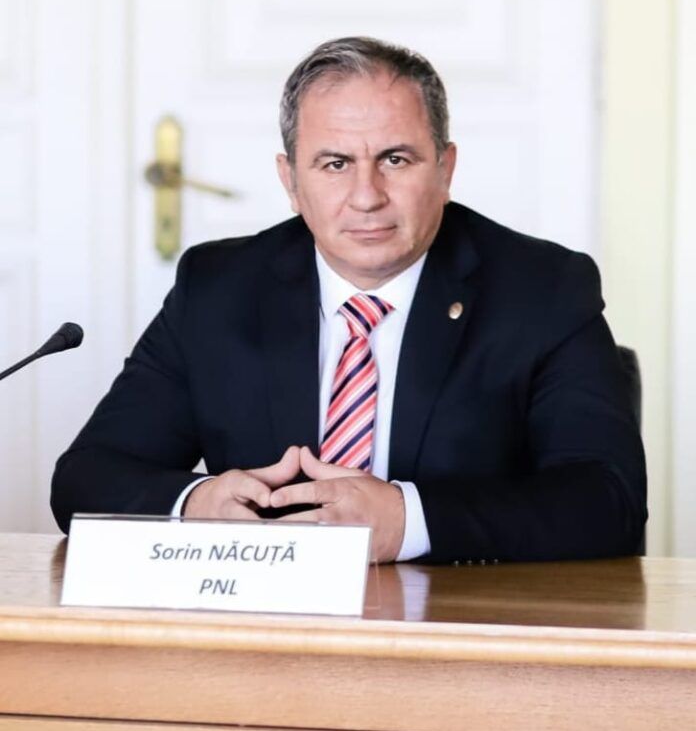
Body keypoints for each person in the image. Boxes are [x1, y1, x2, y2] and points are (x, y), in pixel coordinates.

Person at [51, 37, 647, 564]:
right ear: (291, 181)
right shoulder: (218, 288)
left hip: (463, 627)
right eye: (335, 164)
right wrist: (196, 503)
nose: (367, 196)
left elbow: (609, 498)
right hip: (264, 625)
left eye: (395, 159)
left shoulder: (544, 290)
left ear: (445, 169)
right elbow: (86, 478)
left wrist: (408, 520)